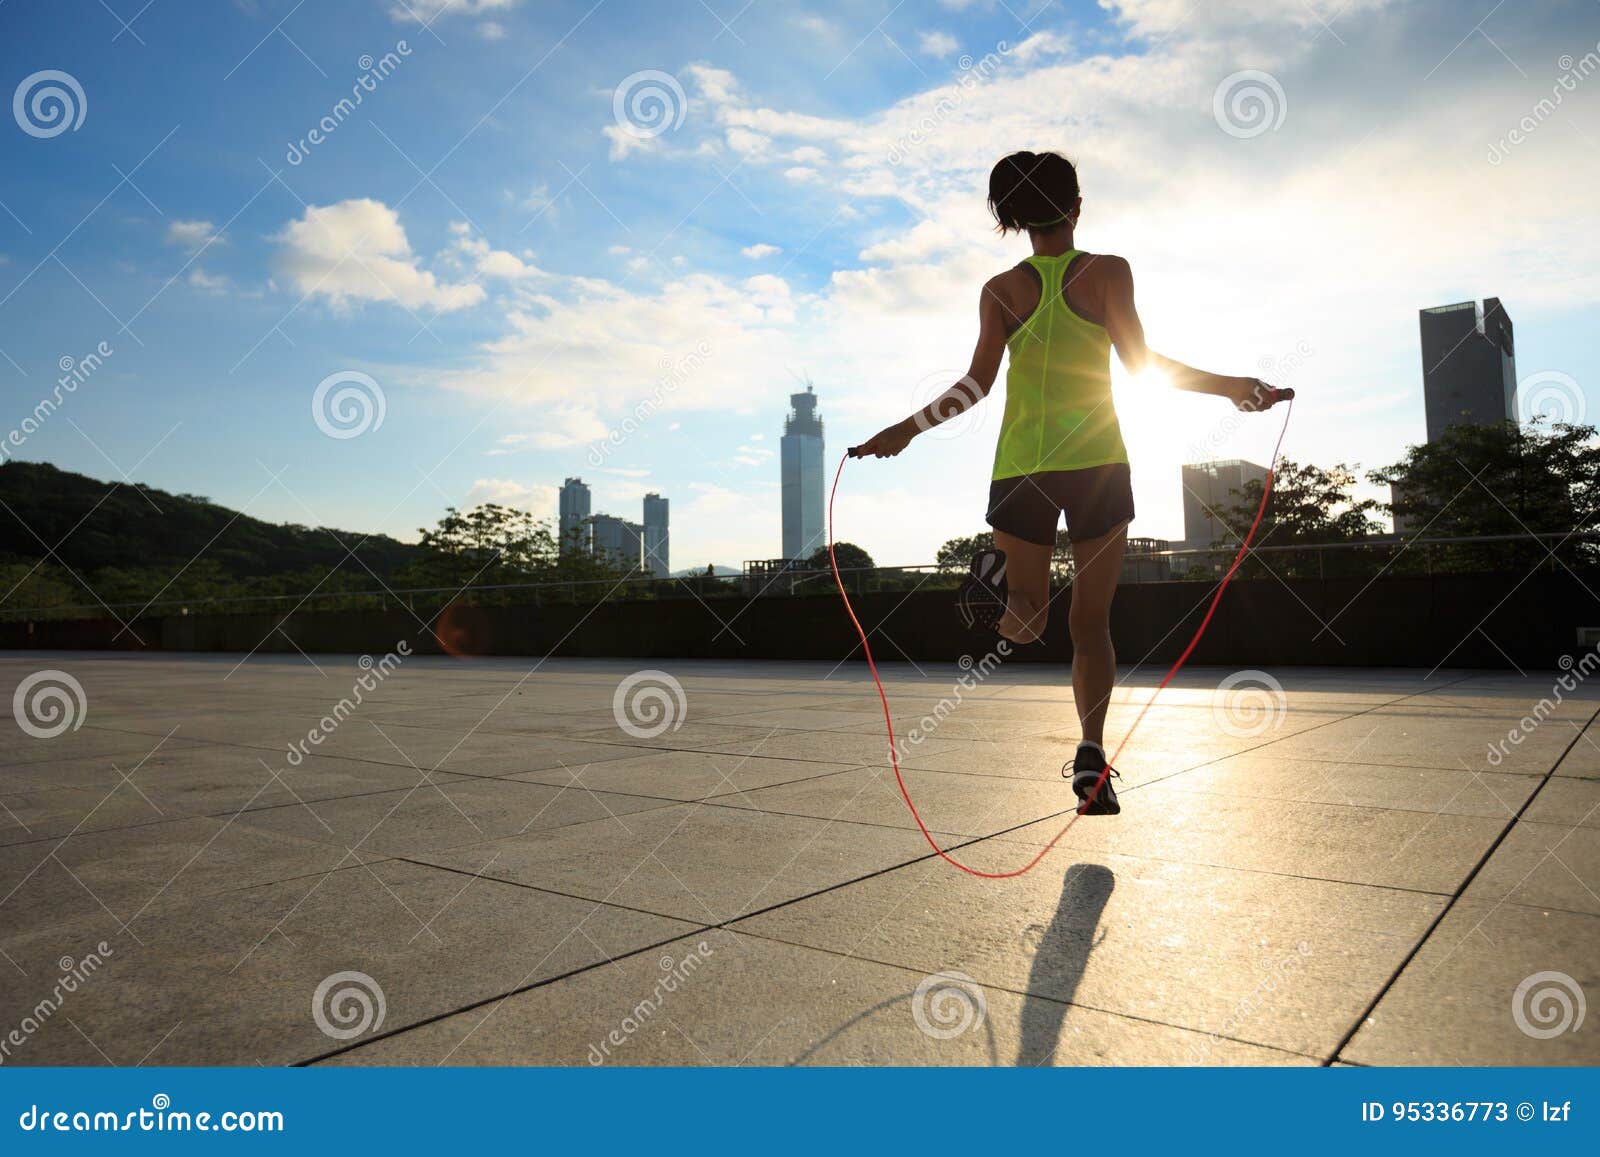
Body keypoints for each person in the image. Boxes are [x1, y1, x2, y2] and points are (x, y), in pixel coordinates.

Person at [853, 150, 1290, 816]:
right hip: (1097, 463)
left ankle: (993, 587)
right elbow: (1143, 365)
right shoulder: (1109, 272)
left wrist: (906, 429)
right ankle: (1092, 753)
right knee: (1092, 624)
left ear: (1016, 222)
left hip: (1022, 464)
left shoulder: (1000, 289)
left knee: (1026, 624)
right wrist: (1233, 387)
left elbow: (974, 385)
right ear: (1077, 206)